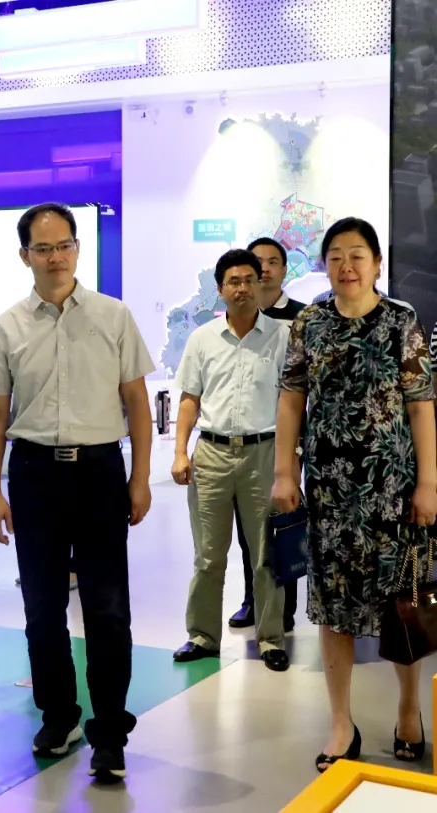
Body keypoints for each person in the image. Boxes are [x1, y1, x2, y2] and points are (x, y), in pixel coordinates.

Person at [0, 202, 154, 783]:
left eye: (65, 245)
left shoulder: (113, 315)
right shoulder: (7, 327)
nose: (56, 257)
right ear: (24, 255)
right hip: (34, 475)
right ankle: (59, 716)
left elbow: (136, 403)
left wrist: (139, 477)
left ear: (78, 248)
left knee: (107, 608)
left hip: (100, 472)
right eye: (43, 248)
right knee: (42, 607)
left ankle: (110, 733)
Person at [272, 216, 436, 773]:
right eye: (336, 256)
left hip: (394, 491)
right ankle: (341, 724)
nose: (347, 266)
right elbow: (291, 399)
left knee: (400, 604)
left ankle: (409, 709)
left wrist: (429, 483)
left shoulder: (401, 321)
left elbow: (421, 406)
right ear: (325, 265)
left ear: (377, 263)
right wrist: (284, 472)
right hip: (329, 491)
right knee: (333, 607)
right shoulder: (310, 323)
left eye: (358, 255)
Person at [171, 249, 290, 672]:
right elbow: (189, 399)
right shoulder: (202, 339)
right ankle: (202, 636)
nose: (242, 288)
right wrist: (180, 451)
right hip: (212, 454)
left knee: (266, 556)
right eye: (233, 282)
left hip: (264, 452)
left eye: (249, 280)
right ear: (220, 290)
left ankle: (271, 638)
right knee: (208, 555)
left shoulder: (283, 336)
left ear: (261, 284)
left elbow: (294, 403)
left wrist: (290, 463)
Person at [227, 237, 303, 632]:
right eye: (259, 263)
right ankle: (252, 600)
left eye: (273, 262)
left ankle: (284, 608)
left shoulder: (301, 317)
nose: (266, 269)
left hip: (287, 444)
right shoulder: (237, 320)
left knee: (283, 526)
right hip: (245, 443)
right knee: (249, 531)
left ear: (284, 270)